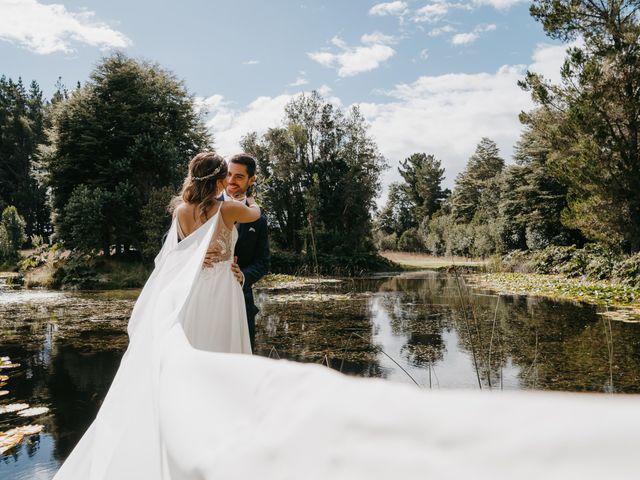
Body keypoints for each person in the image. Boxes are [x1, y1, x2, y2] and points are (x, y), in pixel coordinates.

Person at [53, 151, 261, 479]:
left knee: (189, 357)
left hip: (191, 294)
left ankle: (184, 431)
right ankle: (220, 439)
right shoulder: (230, 208)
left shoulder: (180, 211)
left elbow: (177, 254)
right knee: (221, 359)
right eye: (227, 177)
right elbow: (256, 213)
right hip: (221, 293)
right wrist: (245, 200)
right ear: (220, 180)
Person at [209, 153, 270, 352]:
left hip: (241, 303)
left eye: (239, 176)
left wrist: (243, 275)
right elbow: (171, 239)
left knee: (241, 362)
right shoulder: (206, 204)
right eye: (229, 174)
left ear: (252, 180)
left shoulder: (259, 220)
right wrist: (198, 255)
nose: (231, 181)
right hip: (206, 297)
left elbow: (263, 262)